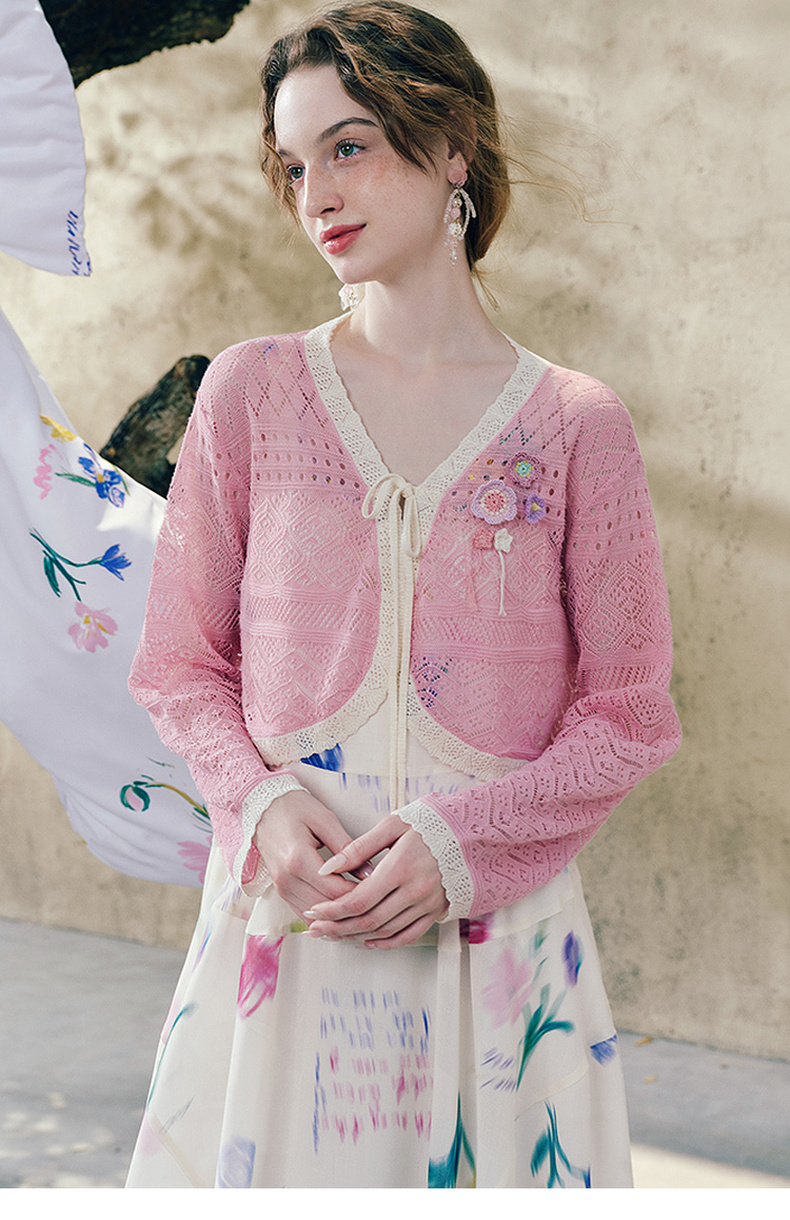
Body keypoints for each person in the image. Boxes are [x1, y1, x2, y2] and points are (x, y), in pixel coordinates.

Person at [125, 0, 681, 1189]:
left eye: (350, 145)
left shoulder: (574, 424)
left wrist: (460, 843)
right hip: (290, 929)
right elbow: (177, 664)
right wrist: (261, 801)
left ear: (451, 149)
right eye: (294, 163)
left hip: (496, 947)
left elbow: (629, 716)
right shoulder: (252, 395)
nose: (317, 192)